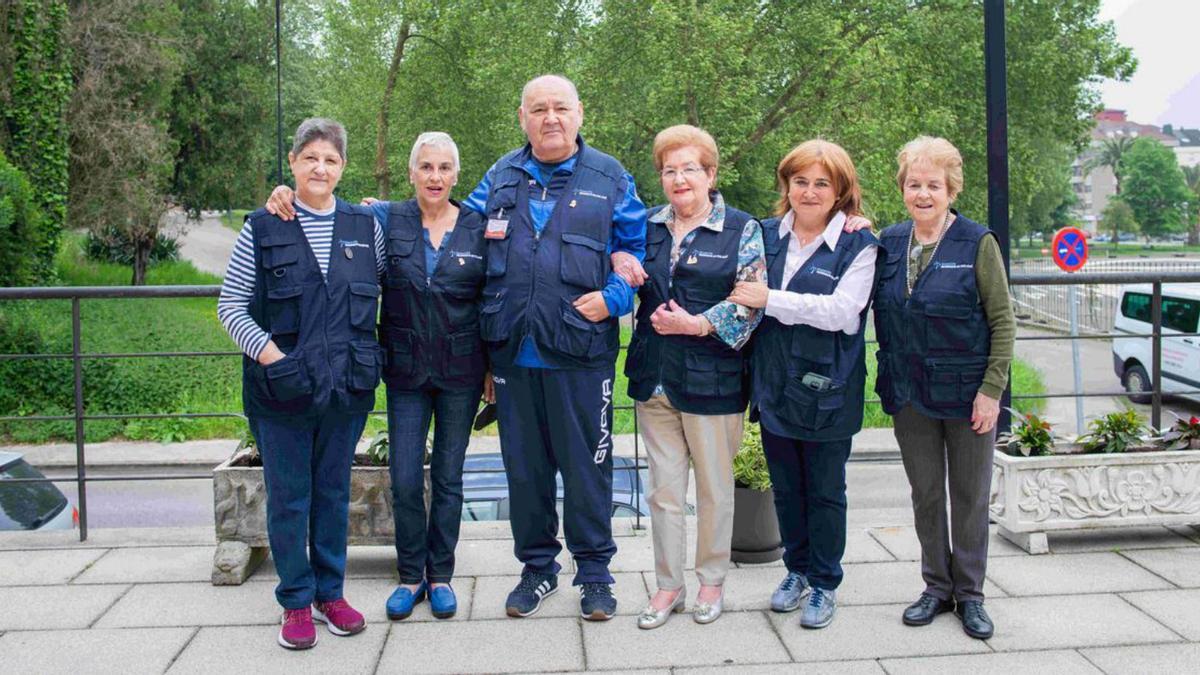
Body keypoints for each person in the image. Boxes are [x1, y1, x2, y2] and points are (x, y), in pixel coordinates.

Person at [266, 133, 492, 623]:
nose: (435, 177)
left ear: (457, 175)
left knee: (450, 478)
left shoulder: (478, 225)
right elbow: (323, 210)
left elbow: (492, 298)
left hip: (461, 371)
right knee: (407, 477)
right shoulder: (382, 219)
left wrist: (494, 367)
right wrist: (283, 194)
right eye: (426, 167)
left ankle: (442, 576)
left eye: (444, 168)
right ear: (411, 173)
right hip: (405, 369)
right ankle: (411, 575)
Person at [463, 74, 646, 621]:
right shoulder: (500, 176)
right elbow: (452, 232)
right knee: (525, 472)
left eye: (560, 108)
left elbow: (637, 250)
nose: (550, 118)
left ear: (579, 113)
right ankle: (538, 569)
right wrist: (382, 216)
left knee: (589, 470)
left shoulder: (610, 177)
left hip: (582, 354)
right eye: (538, 109)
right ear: (522, 117)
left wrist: (612, 300)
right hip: (513, 355)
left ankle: (594, 573)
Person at [217, 118, 381, 650]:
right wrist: (273, 357)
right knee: (289, 499)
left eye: (330, 160)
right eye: (310, 157)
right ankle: (294, 601)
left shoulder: (365, 227)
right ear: (292, 162)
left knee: (333, 495)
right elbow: (231, 306)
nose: (320, 168)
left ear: (343, 169)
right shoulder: (263, 227)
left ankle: (331, 593)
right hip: (281, 392)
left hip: (344, 390)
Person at [727, 139, 879, 630]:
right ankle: (796, 570)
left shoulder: (860, 244)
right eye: (800, 182)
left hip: (827, 388)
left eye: (821, 183)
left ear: (840, 192)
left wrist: (771, 298)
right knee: (787, 489)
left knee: (826, 491)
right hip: (773, 385)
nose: (809, 192)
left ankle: (825, 583)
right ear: (786, 185)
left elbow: (840, 312)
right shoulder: (764, 235)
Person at [623, 125, 766, 629]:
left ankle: (711, 583)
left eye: (689, 169)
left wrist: (699, 323)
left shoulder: (743, 229)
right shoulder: (644, 226)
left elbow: (752, 303)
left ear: (710, 174)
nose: (678, 178)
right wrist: (620, 258)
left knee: (713, 490)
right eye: (669, 170)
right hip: (654, 377)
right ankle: (667, 588)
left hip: (714, 381)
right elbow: (616, 264)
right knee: (662, 492)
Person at [873, 136, 1014, 640]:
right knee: (926, 494)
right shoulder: (887, 242)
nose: (924, 193)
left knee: (970, 495)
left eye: (934, 184)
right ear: (903, 189)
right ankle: (936, 587)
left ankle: (971, 594)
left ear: (951, 188)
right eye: (915, 184)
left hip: (967, 395)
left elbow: (1003, 322)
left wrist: (991, 390)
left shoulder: (978, 243)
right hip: (909, 394)